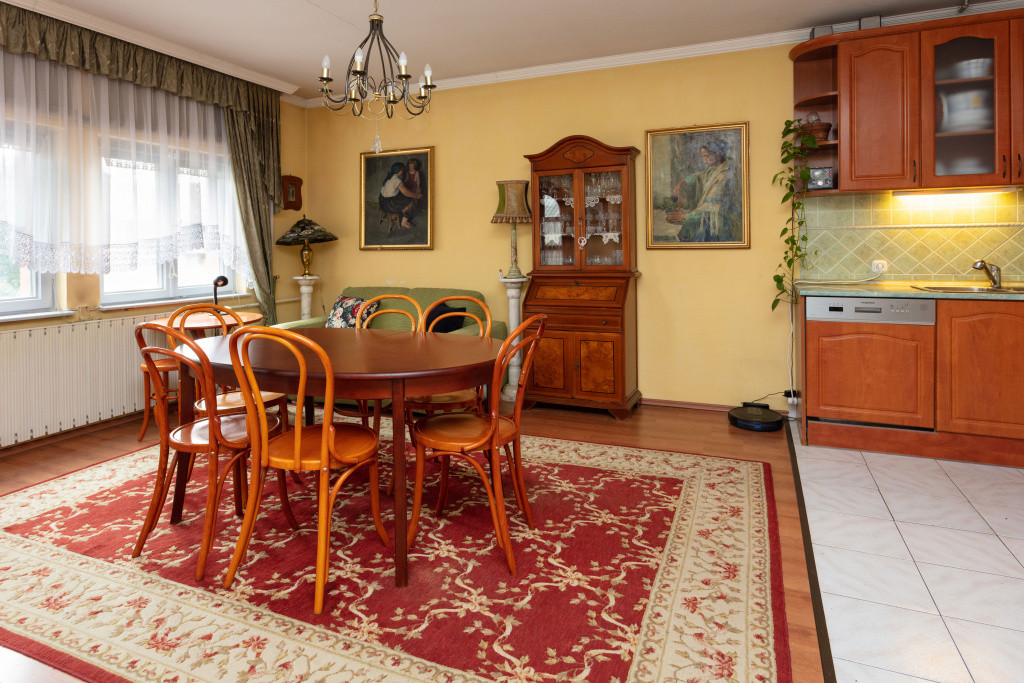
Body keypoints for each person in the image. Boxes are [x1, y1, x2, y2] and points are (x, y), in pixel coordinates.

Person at [665, 137, 741, 243]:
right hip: (709, 218)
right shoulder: (714, 168)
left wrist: (686, 217)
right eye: (703, 156)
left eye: (707, 156)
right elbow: (700, 176)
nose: (704, 159)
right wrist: (683, 182)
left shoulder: (724, 176)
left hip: (720, 224)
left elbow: (712, 208)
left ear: (717, 154)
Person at [379, 162, 422, 230]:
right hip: (389, 204)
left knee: (401, 195)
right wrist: (416, 196)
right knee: (411, 200)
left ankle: (393, 216)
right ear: (399, 170)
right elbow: (406, 192)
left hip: (382, 202)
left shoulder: (388, 177)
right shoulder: (397, 180)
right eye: (402, 170)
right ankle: (404, 222)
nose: (402, 171)